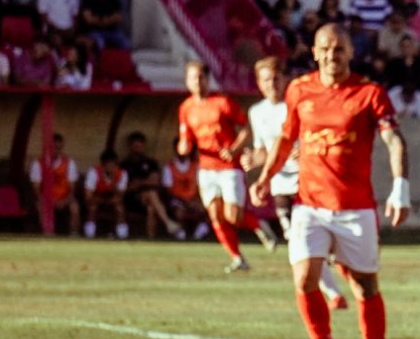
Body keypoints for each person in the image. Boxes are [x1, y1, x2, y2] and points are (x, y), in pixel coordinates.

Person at [251, 25, 409, 339]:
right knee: (304, 279)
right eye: (325, 48)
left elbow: (393, 139)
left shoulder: (369, 93)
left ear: (350, 52)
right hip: (309, 205)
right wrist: (265, 176)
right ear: (314, 51)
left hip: (356, 209)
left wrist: (400, 187)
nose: (331, 55)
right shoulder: (299, 90)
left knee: (365, 286)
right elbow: (286, 137)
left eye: (339, 49)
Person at [247, 57, 347, 308]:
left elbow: (320, 136)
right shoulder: (256, 112)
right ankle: (333, 294)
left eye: (277, 78)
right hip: (280, 183)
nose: (273, 84)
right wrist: (253, 160)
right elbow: (264, 149)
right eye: (267, 80)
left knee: (326, 239)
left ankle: (342, 273)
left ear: (285, 80)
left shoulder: (300, 104)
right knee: (297, 240)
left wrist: (305, 148)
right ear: (259, 83)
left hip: (310, 179)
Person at [177, 60, 256, 272]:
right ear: (187, 81)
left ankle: (259, 226)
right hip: (206, 167)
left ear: (207, 79)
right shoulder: (186, 108)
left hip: (229, 166)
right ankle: (237, 258)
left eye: (200, 77)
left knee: (233, 216)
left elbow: (246, 128)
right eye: (192, 78)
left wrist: (235, 149)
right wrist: (184, 146)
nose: (196, 82)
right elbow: (186, 139)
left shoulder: (222, 102)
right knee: (214, 213)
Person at [118, 131, 179, 240]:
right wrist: (144, 182)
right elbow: (126, 187)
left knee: (151, 207)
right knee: (151, 194)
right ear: (130, 147)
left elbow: (155, 182)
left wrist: (139, 182)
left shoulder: (151, 163)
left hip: (150, 198)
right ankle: (168, 222)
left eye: (139, 146)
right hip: (132, 199)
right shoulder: (124, 165)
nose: (137, 149)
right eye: (135, 146)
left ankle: (151, 238)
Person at [28, 133, 79, 235]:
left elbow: (72, 188)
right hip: (45, 198)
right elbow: (36, 188)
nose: (56, 150)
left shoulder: (69, 163)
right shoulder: (38, 163)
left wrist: (65, 200)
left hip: (64, 198)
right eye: (54, 147)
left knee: (75, 208)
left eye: (59, 147)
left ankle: (74, 233)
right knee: (40, 206)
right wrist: (48, 200)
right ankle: (47, 233)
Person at [81, 149, 130, 239]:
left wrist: (113, 181)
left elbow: (120, 196)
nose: (111, 167)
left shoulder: (122, 174)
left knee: (120, 209)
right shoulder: (93, 172)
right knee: (92, 208)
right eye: (109, 164)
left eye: (114, 165)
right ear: (103, 165)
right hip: (97, 197)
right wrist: (102, 200)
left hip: (113, 199)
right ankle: (89, 235)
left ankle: (122, 236)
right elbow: (88, 196)